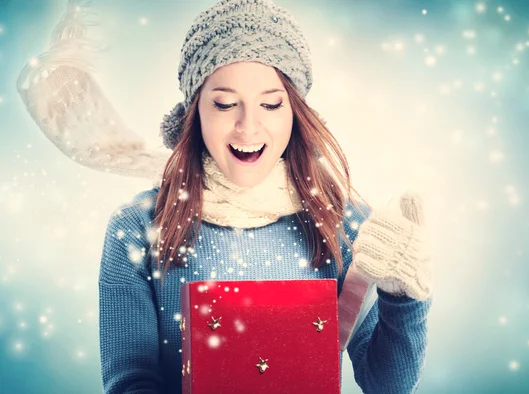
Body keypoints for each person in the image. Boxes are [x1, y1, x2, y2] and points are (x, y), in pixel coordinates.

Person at [15, 0, 432, 392]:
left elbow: (386, 385)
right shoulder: (137, 228)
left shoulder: (344, 222)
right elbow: (131, 379)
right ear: (194, 112)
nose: (248, 128)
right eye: (225, 103)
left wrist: (404, 297)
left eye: (270, 105)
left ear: (296, 113)